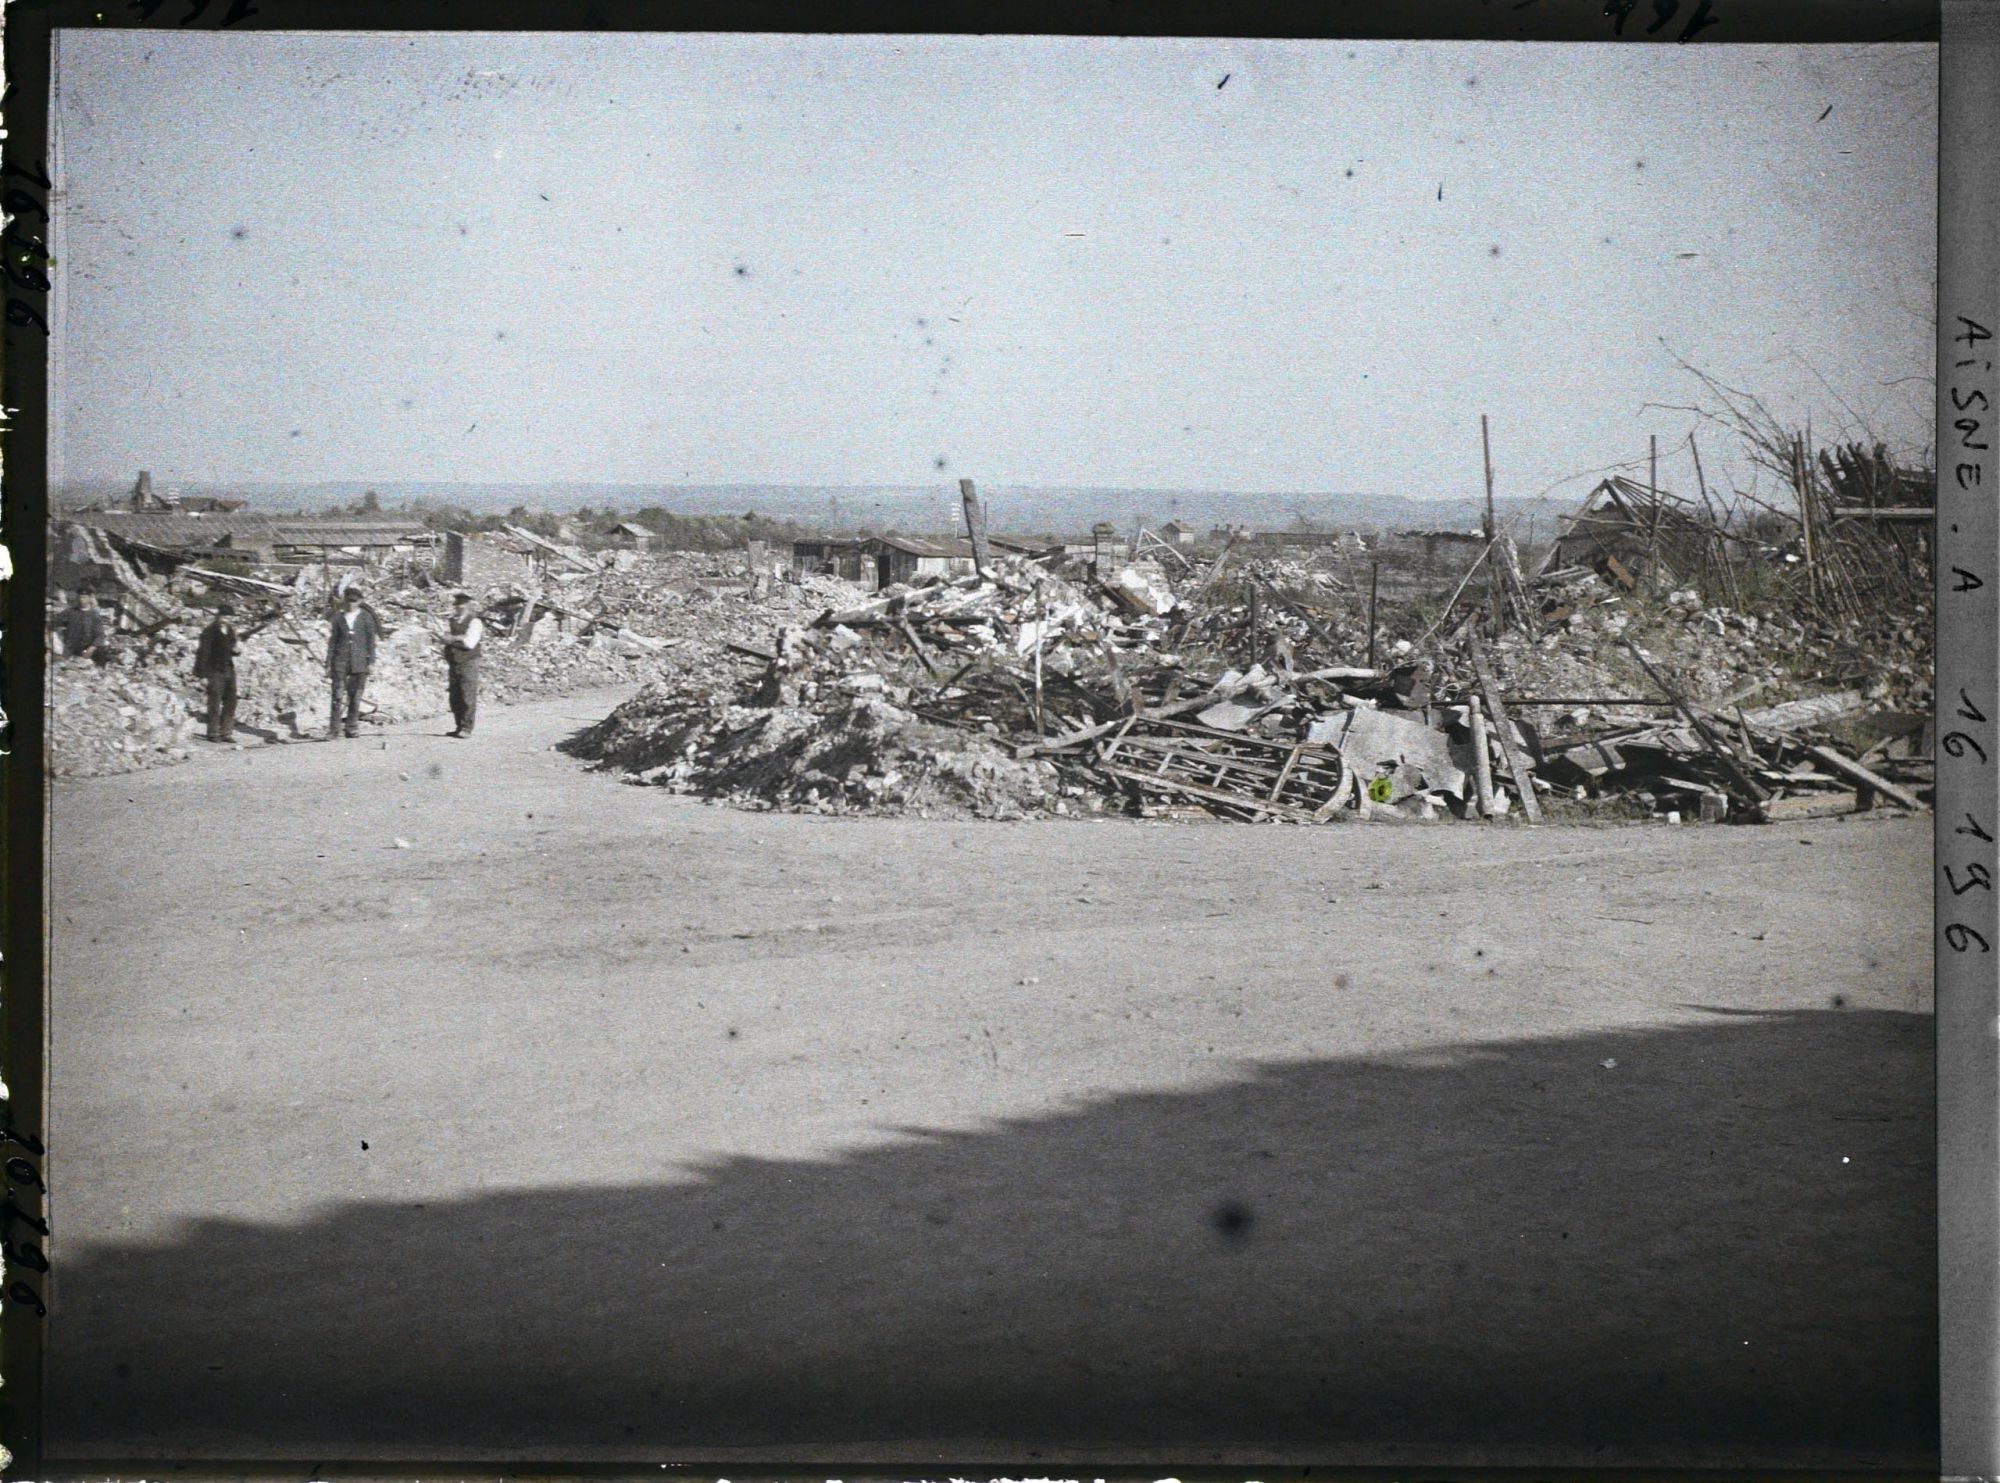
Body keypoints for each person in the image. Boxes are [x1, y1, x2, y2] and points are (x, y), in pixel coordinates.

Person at [326, 585, 379, 740]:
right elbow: (333, 641)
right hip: (340, 661)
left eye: (354, 601)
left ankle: (351, 727)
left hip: (359, 662)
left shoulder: (366, 618)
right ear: (344, 601)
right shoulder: (338, 617)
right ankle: (334, 730)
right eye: (348, 601)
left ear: (360, 601)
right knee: (337, 696)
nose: (351, 604)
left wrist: (371, 661)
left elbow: (371, 642)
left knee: (355, 696)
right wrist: (328, 663)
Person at [194, 603, 242, 743]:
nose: (228, 619)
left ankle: (226, 732)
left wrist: (236, 651)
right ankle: (213, 732)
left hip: (228, 669)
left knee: (231, 701)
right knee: (214, 702)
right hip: (214, 670)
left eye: (230, 617)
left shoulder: (230, 630)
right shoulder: (210, 631)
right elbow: (203, 653)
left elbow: (231, 648)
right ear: (219, 616)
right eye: (225, 616)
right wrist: (202, 675)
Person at [442, 591, 483, 738]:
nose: (458, 607)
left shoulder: (475, 622)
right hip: (454, 662)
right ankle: (459, 726)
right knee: (455, 696)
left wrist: (452, 639)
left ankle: (466, 727)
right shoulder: (452, 621)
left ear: (468, 606)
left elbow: (469, 643)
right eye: (457, 605)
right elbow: (444, 637)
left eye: (462, 605)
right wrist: (455, 638)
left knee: (467, 695)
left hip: (469, 662)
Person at [54, 588, 110, 662]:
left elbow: (100, 635)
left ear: (89, 598)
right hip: (69, 649)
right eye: (80, 597)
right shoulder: (70, 611)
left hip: (85, 651)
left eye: (85, 597)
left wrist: (92, 648)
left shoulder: (94, 615)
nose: (82, 600)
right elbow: (56, 622)